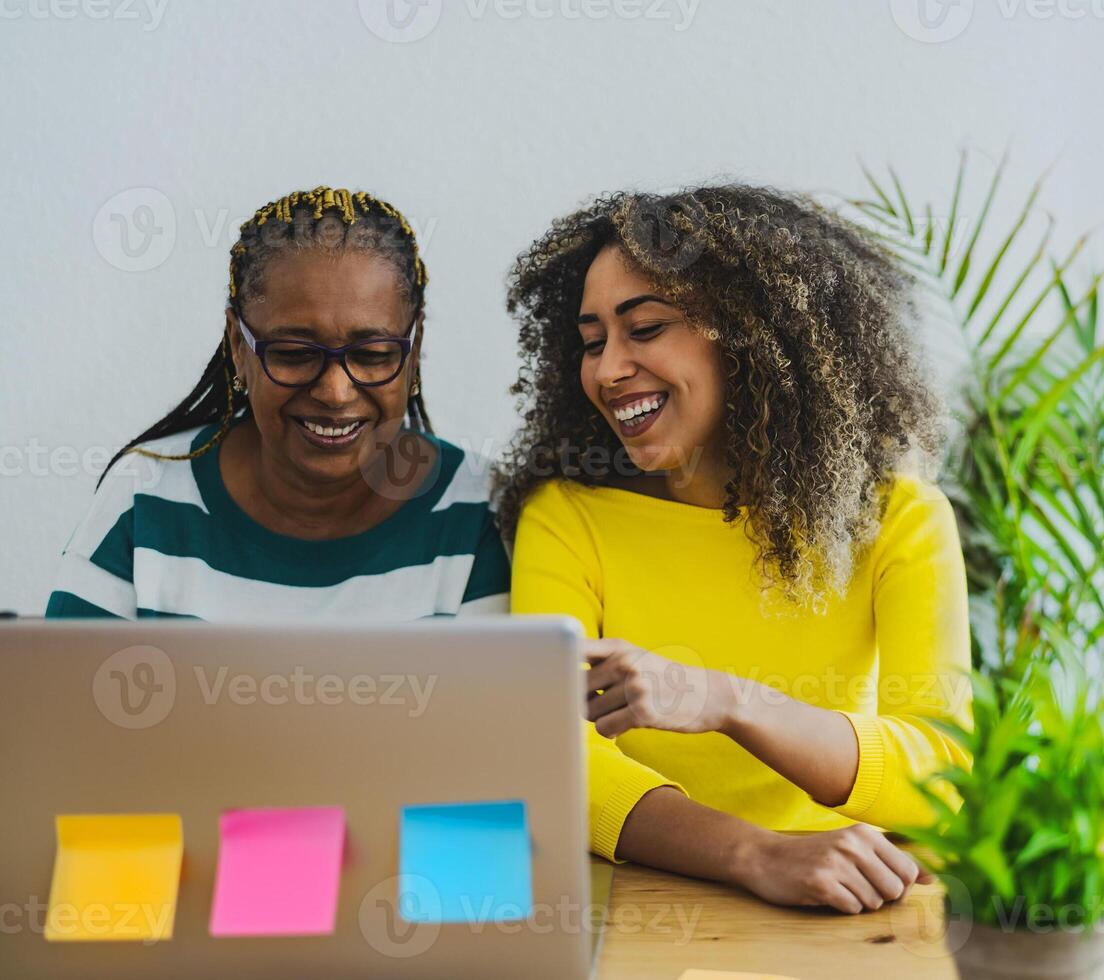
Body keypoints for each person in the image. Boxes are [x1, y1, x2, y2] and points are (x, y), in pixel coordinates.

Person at [501, 186, 971, 914]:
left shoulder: (898, 518)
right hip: (649, 907)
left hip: (854, 903)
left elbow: (941, 771)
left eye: (645, 328)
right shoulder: (569, 518)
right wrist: (755, 853)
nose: (608, 370)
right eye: (593, 342)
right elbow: (556, 755)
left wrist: (725, 700)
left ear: (753, 332)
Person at [47, 187, 508, 620]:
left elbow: (501, 705)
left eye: (371, 355)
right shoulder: (145, 497)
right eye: (293, 354)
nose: (335, 392)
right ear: (238, 345)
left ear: (414, 344)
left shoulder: (477, 510)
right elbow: (60, 698)